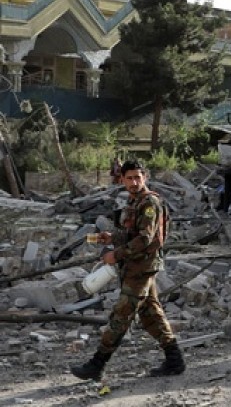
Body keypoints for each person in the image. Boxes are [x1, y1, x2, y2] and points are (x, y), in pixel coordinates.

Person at [71, 160, 184, 380]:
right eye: (129, 178)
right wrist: (112, 238)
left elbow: (145, 239)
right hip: (136, 268)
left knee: (121, 316)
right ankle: (175, 360)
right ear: (122, 180)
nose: (134, 182)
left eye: (138, 177)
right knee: (151, 314)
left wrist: (116, 254)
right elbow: (132, 233)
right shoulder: (134, 202)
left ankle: (97, 364)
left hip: (141, 269)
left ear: (145, 177)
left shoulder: (149, 202)